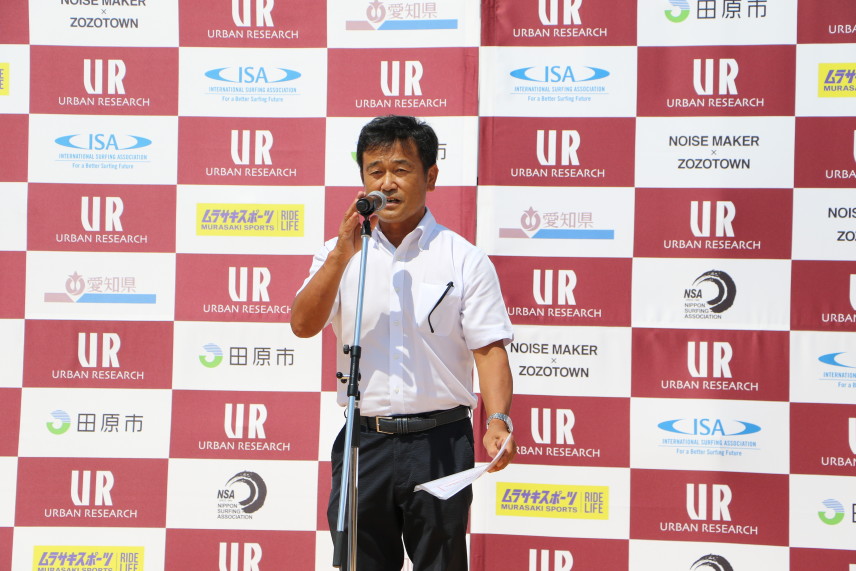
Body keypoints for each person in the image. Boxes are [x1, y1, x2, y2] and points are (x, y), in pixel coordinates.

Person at [291, 115, 516, 570]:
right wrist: (340, 254)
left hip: (440, 444)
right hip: (364, 441)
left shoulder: (463, 258)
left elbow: (489, 349)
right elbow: (302, 324)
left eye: (401, 169)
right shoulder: (340, 253)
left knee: (441, 563)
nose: (387, 183)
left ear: (430, 176)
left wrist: (496, 418)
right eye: (375, 171)